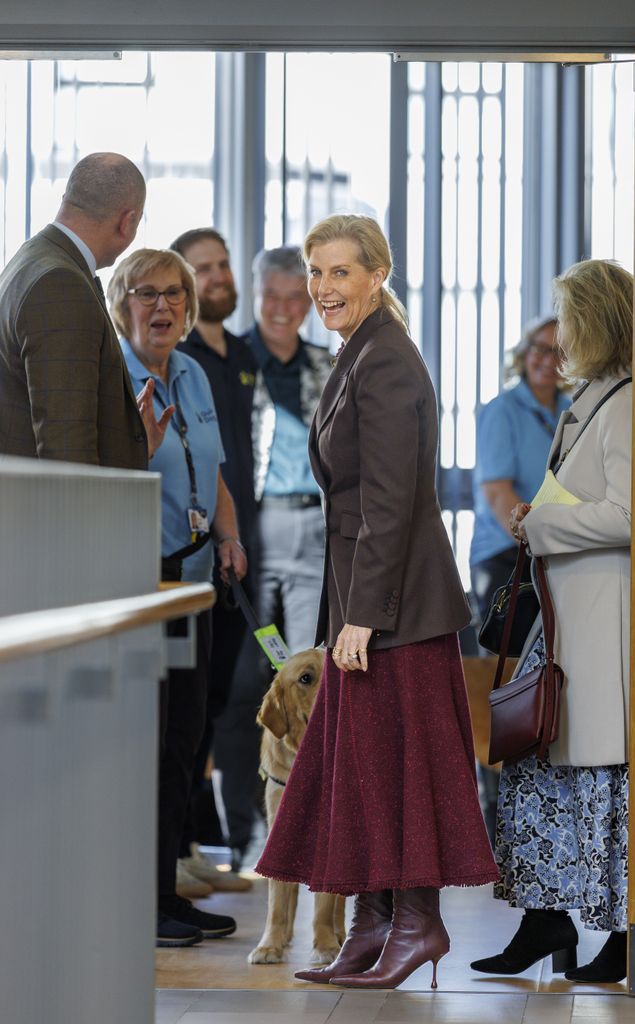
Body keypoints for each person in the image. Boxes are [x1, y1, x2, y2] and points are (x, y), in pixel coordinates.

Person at [255, 214, 499, 990]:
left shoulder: (386, 360)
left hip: (395, 610)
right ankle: (371, 923)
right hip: (368, 600)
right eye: (316, 273)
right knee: (362, 768)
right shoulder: (358, 352)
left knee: (398, 770)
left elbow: (393, 502)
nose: (324, 289)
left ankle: (416, 924)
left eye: (339, 273)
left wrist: (362, 616)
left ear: (377, 275)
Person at [471, 258, 633, 984]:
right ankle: (545, 921)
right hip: (567, 615)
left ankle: (620, 933)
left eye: (567, 318)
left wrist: (543, 527)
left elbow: (631, 514)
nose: (558, 334)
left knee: (593, 779)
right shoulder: (594, 395)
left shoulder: (627, 402)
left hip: (599, 619)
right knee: (536, 767)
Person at [108, 248, 248, 948]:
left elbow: (214, 469)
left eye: (173, 295)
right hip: (140, 585)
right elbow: (99, 489)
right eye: (145, 294)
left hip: (195, 584)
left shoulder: (191, 371)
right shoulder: (111, 378)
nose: (160, 307)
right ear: (120, 304)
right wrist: (137, 449)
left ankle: (166, 891)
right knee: (146, 744)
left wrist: (230, 538)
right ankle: (139, 898)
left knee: (185, 743)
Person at [226, 245, 331, 870]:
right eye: (275, 298)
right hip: (253, 533)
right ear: (257, 297)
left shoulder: (327, 363)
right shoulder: (235, 359)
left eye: (299, 298)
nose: (286, 310)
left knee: (309, 685)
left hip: (313, 532)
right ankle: (246, 833)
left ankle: (309, 826)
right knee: (246, 685)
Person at [170, 227, 256, 894]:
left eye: (224, 264)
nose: (219, 276)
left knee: (212, 698)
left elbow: (224, 464)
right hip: (181, 563)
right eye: (205, 268)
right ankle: (175, 846)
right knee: (187, 708)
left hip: (232, 553)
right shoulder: (178, 353)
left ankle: (190, 843)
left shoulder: (230, 358)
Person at [0, 151, 170, 468]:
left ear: (67, 198)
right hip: (55, 513)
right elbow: (67, 450)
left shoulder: (32, 257)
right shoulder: (61, 282)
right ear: (128, 221)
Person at [470, 316, 571, 624]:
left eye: (559, 351)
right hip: (507, 553)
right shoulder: (502, 410)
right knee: (514, 663)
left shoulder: (571, 410)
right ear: (525, 353)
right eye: (540, 349)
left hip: (550, 550)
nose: (547, 360)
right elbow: (498, 493)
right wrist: (533, 543)